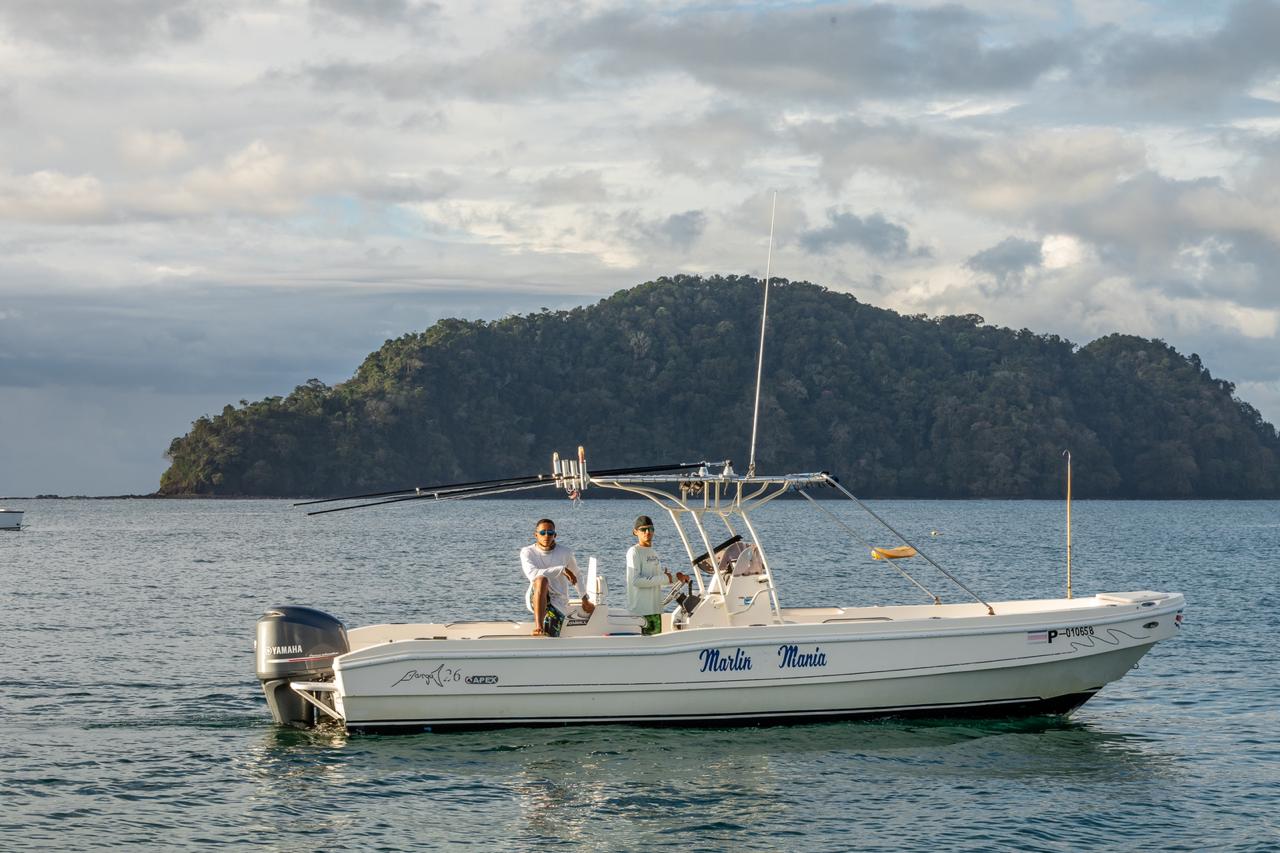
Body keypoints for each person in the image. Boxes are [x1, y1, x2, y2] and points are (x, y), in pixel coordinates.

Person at [520, 518, 593, 637]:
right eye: (543, 533)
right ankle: (538, 627)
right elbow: (533, 574)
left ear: (555, 535)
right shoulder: (527, 552)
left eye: (550, 533)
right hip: (537, 597)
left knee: (550, 638)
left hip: (558, 601)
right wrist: (561, 569)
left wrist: (584, 599)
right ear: (536, 535)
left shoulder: (566, 552)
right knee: (541, 579)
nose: (546, 536)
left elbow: (577, 575)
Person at [625, 515, 687, 635]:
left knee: (655, 644)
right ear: (635, 532)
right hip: (641, 612)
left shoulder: (653, 552)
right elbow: (636, 581)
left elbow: (657, 581)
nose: (647, 532)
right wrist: (664, 578)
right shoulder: (634, 552)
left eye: (651, 529)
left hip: (655, 610)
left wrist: (675, 578)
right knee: (644, 648)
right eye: (643, 529)